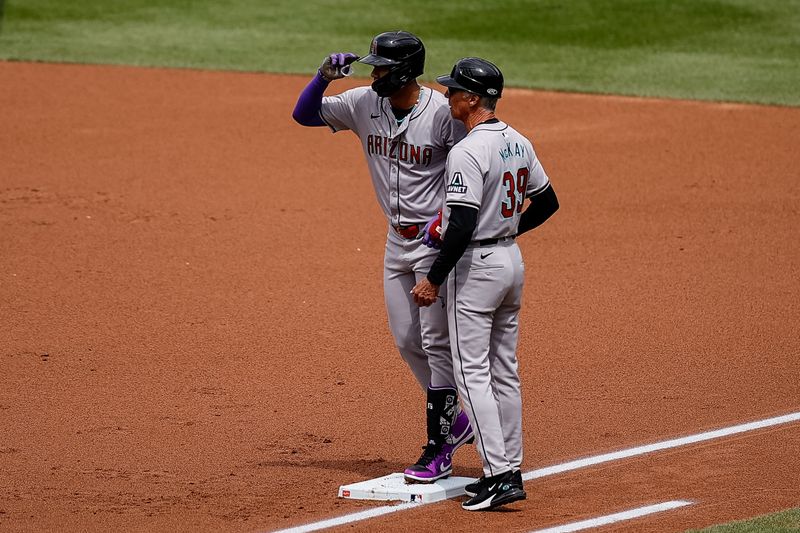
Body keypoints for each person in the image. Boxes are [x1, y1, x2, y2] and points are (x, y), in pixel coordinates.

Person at [292, 31, 474, 483]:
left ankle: (439, 447)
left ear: (406, 72)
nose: (373, 74)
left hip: (434, 242)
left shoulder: (441, 114)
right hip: (396, 242)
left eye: (382, 68)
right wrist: (322, 77)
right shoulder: (361, 104)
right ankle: (459, 419)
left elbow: (473, 161)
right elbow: (303, 115)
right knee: (406, 340)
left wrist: (449, 220)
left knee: (435, 343)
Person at [412, 57, 559, 511]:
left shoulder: (467, 150)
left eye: (454, 91)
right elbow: (548, 201)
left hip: (477, 268)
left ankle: (499, 475)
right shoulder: (518, 140)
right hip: (511, 260)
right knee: (505, 369)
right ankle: (510, 464)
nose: (449, 97)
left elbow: (460, 226)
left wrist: (434, 279)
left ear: (473, 99)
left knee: (471, 371)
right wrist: (508, 227)